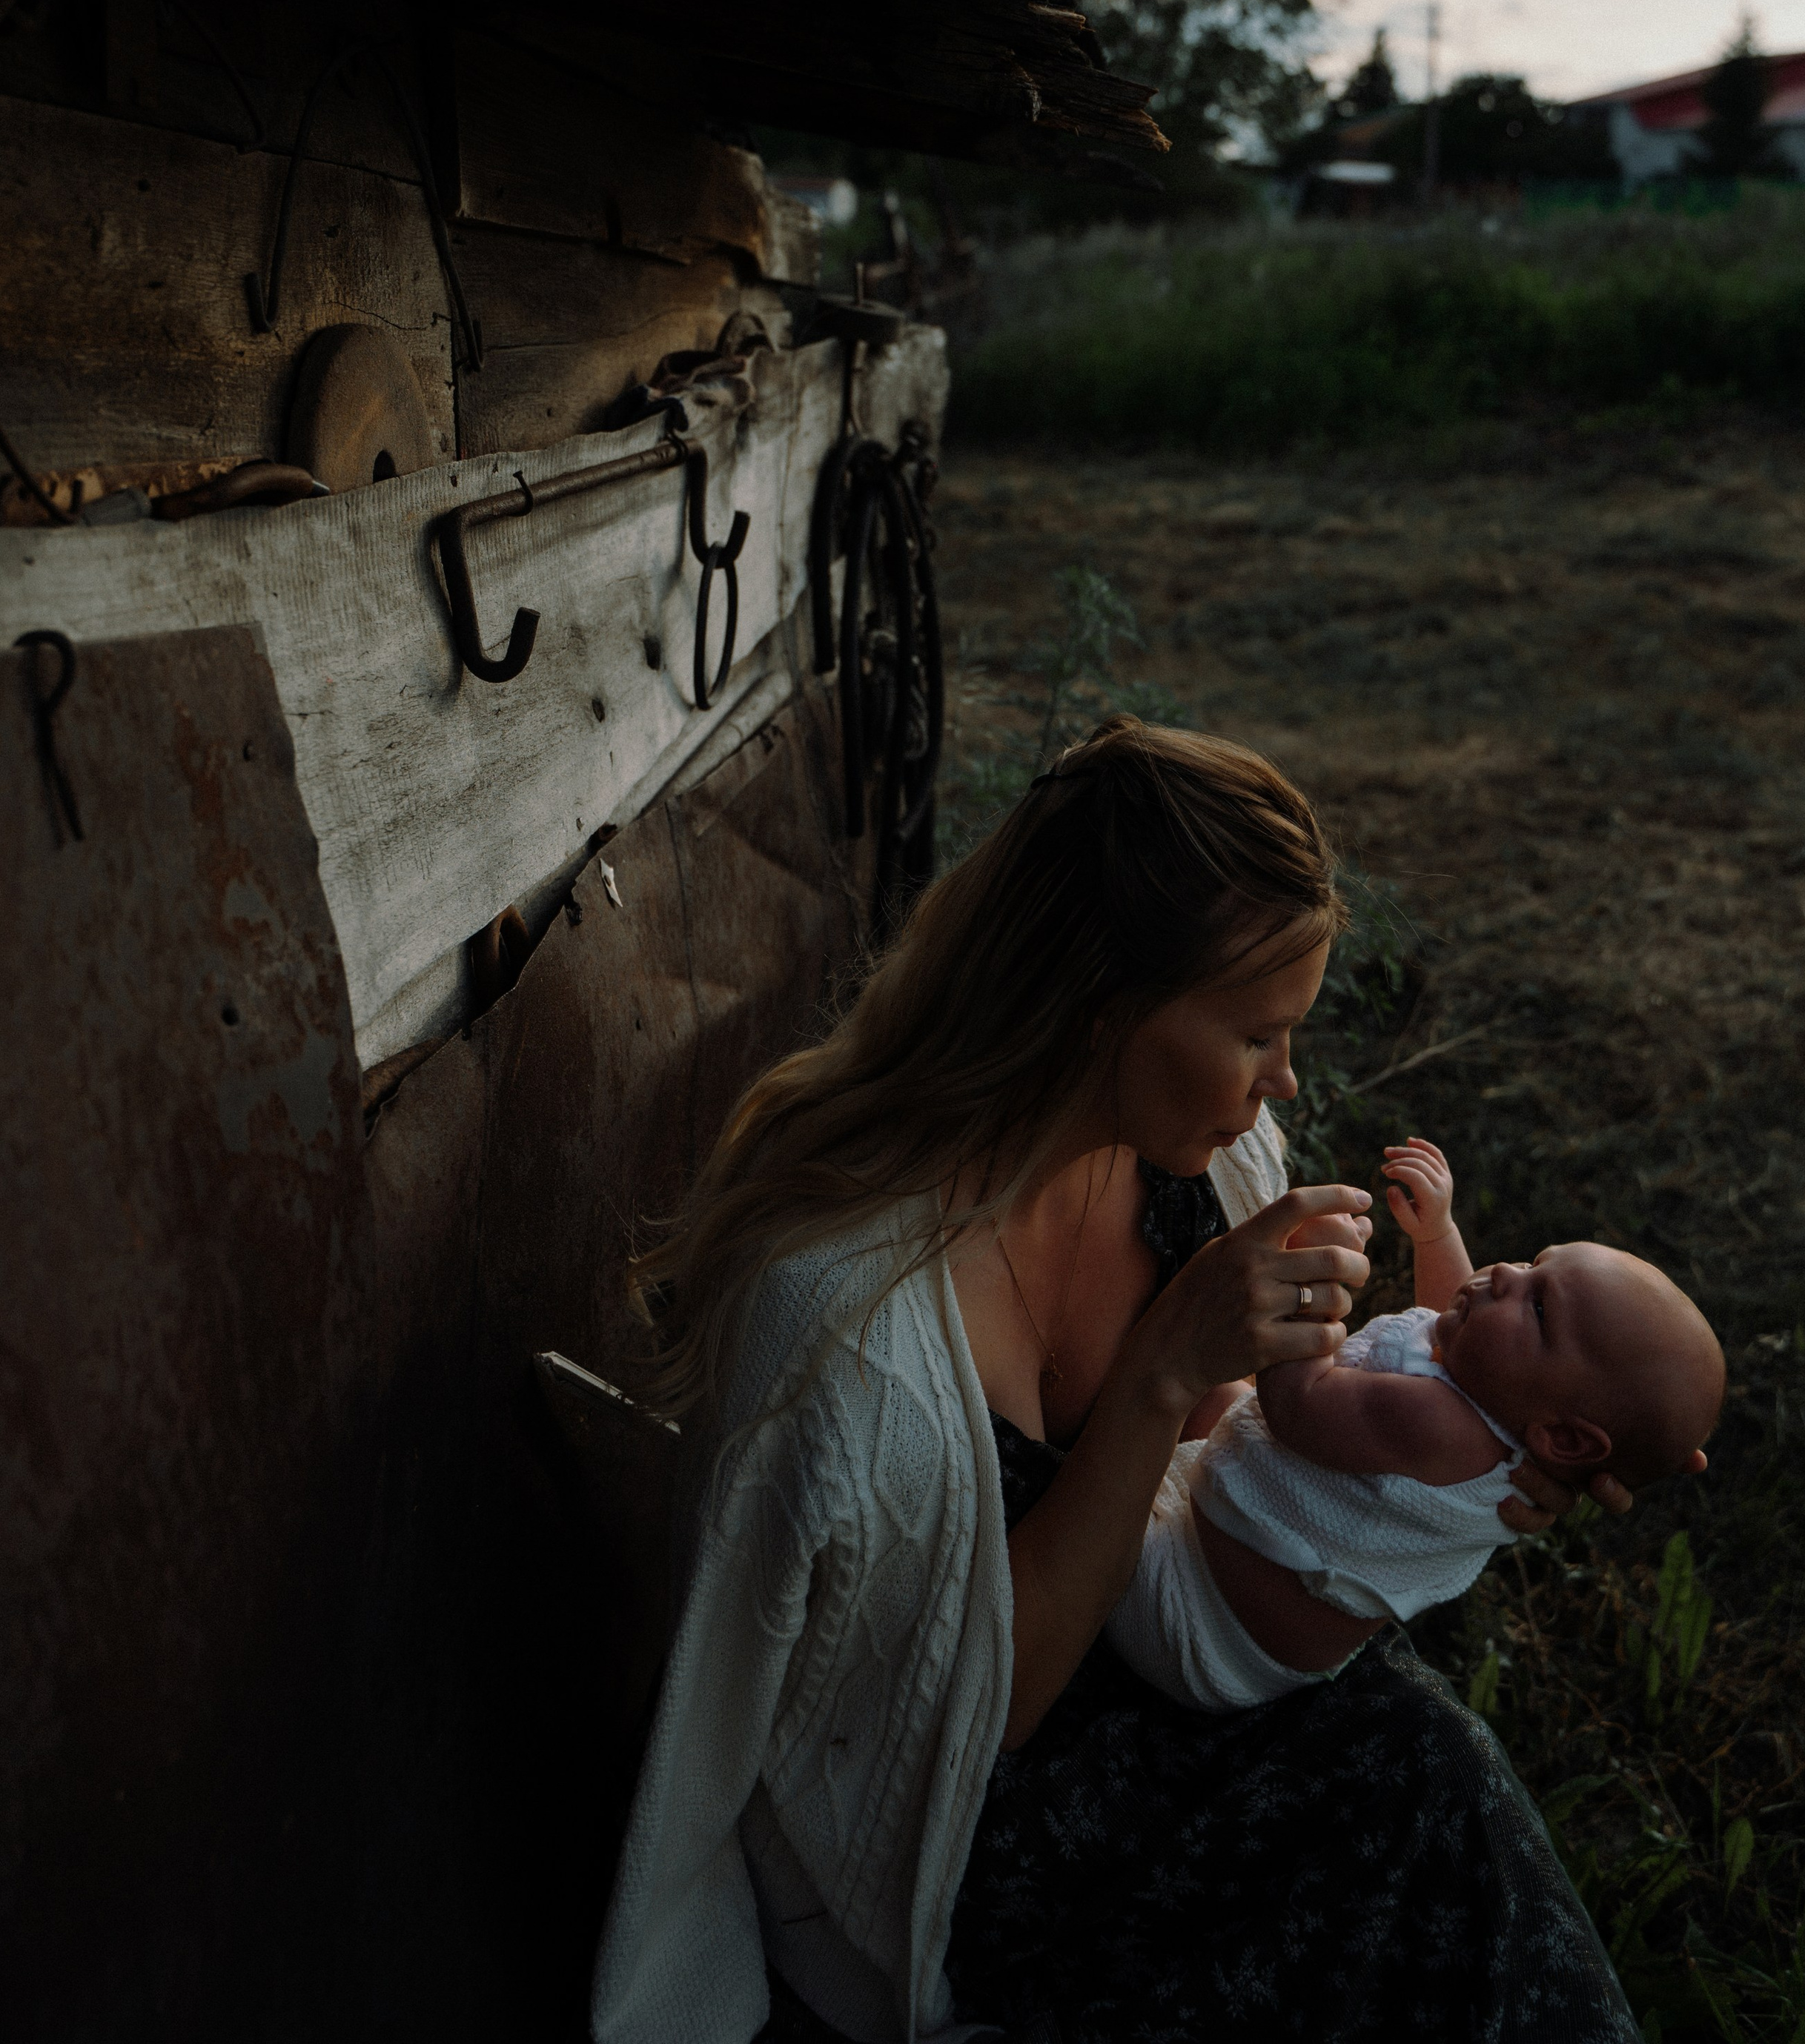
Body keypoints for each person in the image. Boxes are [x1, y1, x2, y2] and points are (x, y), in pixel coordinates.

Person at [593, 719, 1646, 2044]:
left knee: (1433, 1775)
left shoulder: (1199, 1168)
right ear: (1102, 1005)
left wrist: (1482, 1454)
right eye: (1258, 1036)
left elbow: (1257, 1476)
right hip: (983, 1845)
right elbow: (979, 1722)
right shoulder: (849, 1322)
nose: (1285, 1083)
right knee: (1412, 1810)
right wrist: (1161, 1373)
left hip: (1180, 1701)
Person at [1108, 1137, 1726, 1713]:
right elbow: (1444, 1309)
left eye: (1538, 1305)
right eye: (1536, 1262)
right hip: (1221, 1548)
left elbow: (1298, 1405)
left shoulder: (1441, 1429)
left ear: (1562, 1437)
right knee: (1204, 1381)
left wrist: (1310, 1273)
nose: (1506, 1274)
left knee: (1151, 1407)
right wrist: (1437, 1235)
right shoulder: (1500, 1398)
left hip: (1192, 1619)